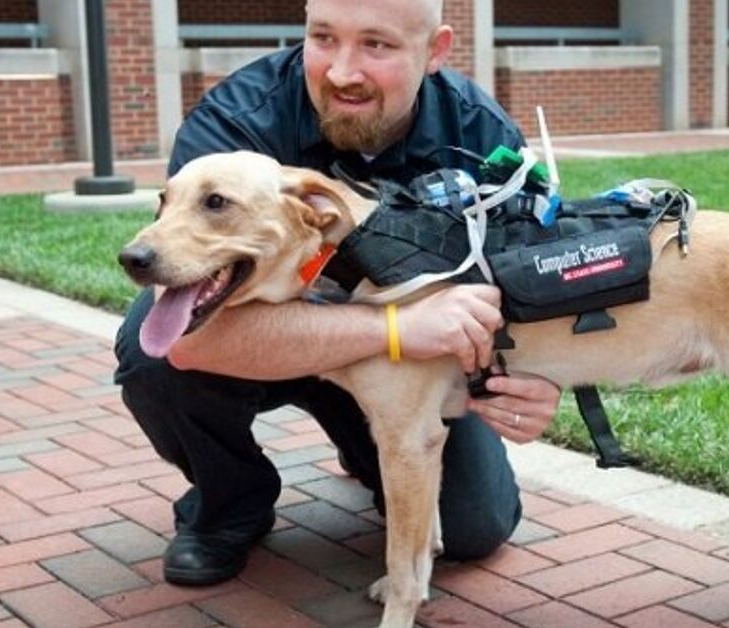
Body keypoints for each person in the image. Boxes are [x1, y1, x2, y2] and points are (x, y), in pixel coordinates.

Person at [113, 0, 561, 586]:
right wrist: (395, 329)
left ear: (436, 51)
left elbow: (524, 294)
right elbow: (190, 344)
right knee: (153, 356)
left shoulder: (479, 135)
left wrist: (535, 383)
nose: (342, 71)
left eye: (376, 45)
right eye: (323, 38)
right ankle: (230, 505)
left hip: (405, 372)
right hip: (279, 343)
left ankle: (364, 444)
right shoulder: (238, 120)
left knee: (475, 528)